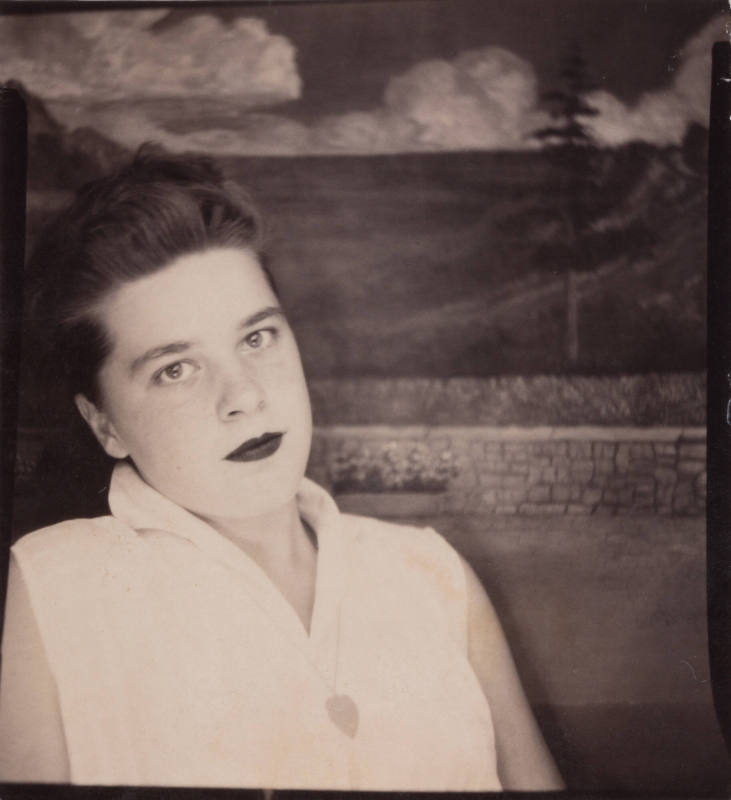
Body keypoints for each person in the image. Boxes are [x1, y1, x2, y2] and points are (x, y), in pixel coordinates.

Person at [0, 146, 563, 791]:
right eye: (175, 369)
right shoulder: (53, 587)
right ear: (104, 422)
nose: (244, 395)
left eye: (256, 338)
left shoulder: (433, 577)